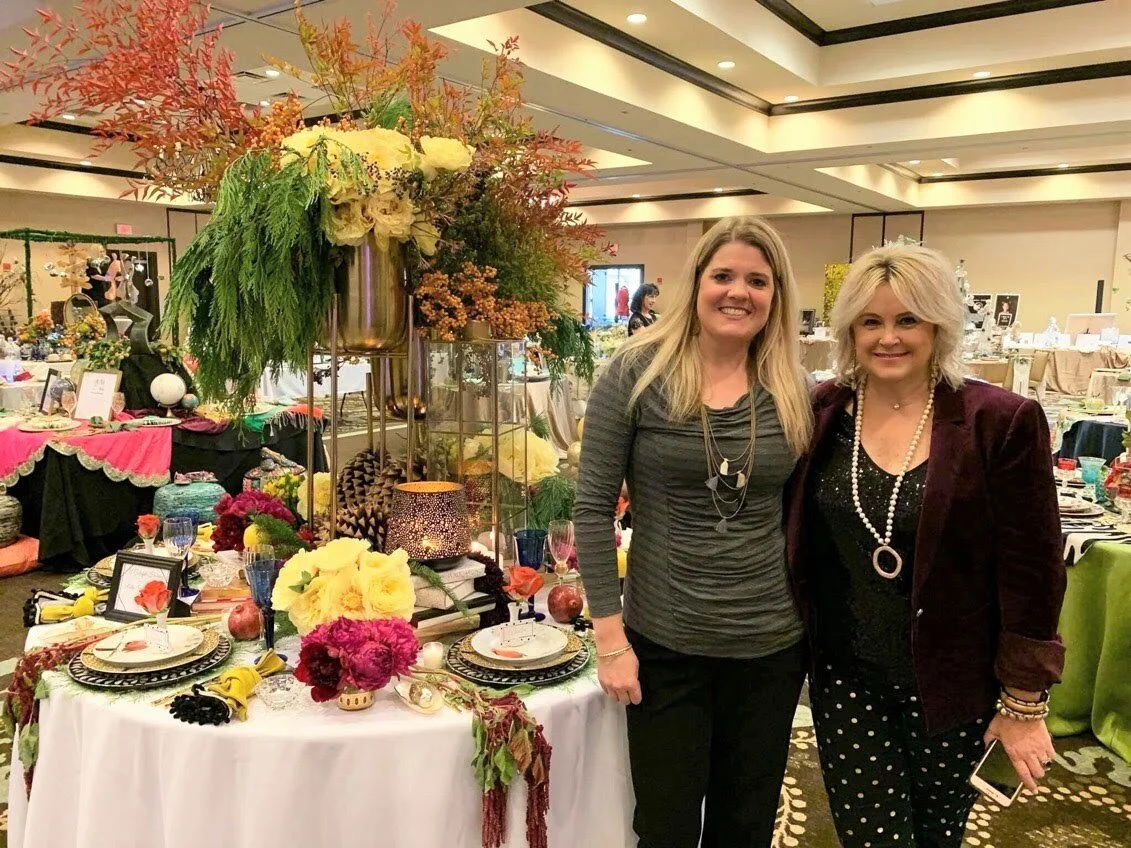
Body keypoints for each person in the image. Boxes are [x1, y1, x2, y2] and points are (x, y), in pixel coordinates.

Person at [786, 245, 1065, 848]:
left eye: (907, 319)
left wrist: (1023, 699)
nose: (888, 337)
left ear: (938, 324)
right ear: (849, 330)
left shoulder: (1000, 421)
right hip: (846, 681)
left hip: (952, 685)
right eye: (871, 321)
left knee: (938, 836)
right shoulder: (820, 412)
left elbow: (1034, 571)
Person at [575, 216, 814, 848]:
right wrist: (609, 638)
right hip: (665, 645)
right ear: (697, 282)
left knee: (746, 825)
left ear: (776, 295)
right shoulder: (635, 373)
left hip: (769, 647)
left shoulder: (794, 388)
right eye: (723, 275)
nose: (739, 292)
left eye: (758, 281)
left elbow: (805, 515)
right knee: (665, 826)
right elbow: (593, 509)